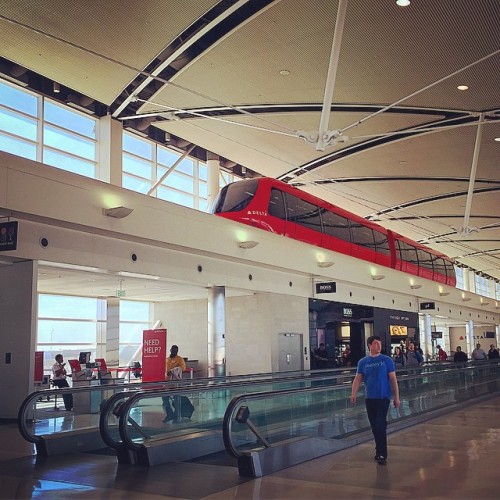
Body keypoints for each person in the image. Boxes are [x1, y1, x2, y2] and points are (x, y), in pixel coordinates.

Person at [350, 336, 400, 465]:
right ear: (369, 346)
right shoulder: (363, 362)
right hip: (370, 397)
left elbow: (393, 379)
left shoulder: (386, 360)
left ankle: (382, 454)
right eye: (376, 344)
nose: (379, 346)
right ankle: (379, 449)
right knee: (374, 426)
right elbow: (358, 378)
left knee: (379, 425)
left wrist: (396, 397)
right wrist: (353, 393)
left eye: (380, 344)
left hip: (383, 397)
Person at [162, 345, 186, 423]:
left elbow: (183, 368)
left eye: (175, 351)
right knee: (165, 398)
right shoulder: (167, 359)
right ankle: (169, 414)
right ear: (170, 350)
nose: (174, 352)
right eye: (173, 350)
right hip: (167, 382)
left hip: (175, 383)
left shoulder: (179, 359)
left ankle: (177, 416)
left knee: (176, 399)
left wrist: (173, 370)